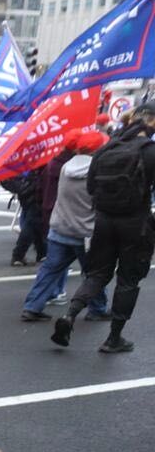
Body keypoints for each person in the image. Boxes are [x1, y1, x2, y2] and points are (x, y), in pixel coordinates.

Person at [53, 102, 155, 353]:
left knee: (97, 274)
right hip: (135, 223)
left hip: (104, 220)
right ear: (151, 121)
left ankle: (69, 315)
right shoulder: (149, 151)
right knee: (129, 280)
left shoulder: (107, 146)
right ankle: (114, 338)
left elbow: (90, 188)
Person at [23, 130, 111, 321]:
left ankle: (32, 307)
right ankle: (97, 309)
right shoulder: (99, 171)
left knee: (50, 269)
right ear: (97, 150)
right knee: (94, 274)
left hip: (60, 227)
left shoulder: (66, 166)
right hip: (85, 232)